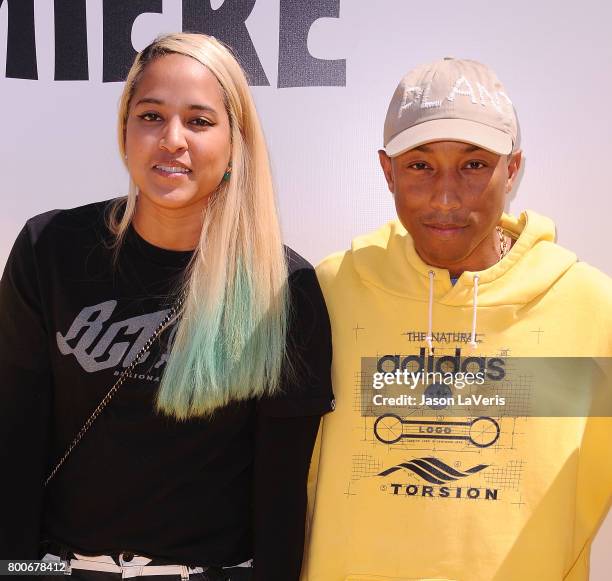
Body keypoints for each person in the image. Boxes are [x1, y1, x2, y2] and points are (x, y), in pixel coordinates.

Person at [0, 33, 334, 581]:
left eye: (200, 122)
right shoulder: (49, 250)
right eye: (151, 115)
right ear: (125, 130)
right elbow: (14, 444)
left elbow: (280, 495)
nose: (171, 139)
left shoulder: (284, 289)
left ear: (236, 143)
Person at [301, 58, 612, 580]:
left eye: (473, 165)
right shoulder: (327, 295)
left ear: (512, 168)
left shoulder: (592, 310)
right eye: (420, 166)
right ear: (386, 170)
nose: (446, 197)